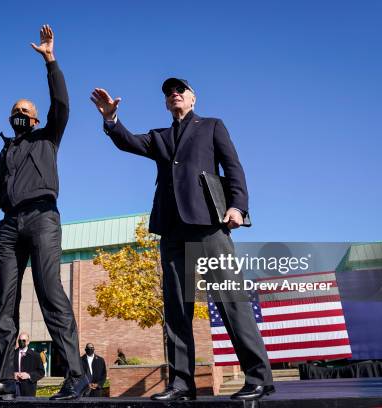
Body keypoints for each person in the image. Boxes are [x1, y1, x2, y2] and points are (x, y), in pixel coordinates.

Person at [90, 79, 275, 401]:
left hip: (208, 226)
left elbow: (233, 168)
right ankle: (181, 384)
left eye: (180, 90)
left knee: (231, 301)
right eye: (168, 93)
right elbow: (128, 142)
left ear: (192, 98)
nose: (173, 94)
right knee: (177, 310)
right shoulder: (159, 137)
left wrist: (238, 206)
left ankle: (258, 378)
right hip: (172, 230)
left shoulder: (212, 126)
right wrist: (110, 119)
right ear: (166, 103)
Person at [0, 25, 88, 401]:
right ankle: (1, 379)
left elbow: (61, 103)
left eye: (26, 111)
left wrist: (51, 60)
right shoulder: (2, 156)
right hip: (10, 228)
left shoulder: (48, 137)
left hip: (44, 219)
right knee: (5, 304)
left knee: (51, 293)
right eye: (15, 111)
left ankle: (75, 377)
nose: (20, 114)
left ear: (35, 119)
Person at [13, 333, 45, 397]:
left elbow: (41, 372)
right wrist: (12, 374)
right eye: (20, 340)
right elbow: (6, 369)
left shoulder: (35, 355)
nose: (21, 342)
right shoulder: (12, 354)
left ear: (28, 342)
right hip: (14, 387)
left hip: (29, 388)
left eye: (24, 340)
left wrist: (28, 375)